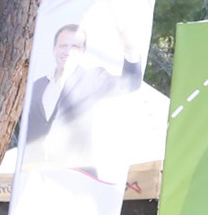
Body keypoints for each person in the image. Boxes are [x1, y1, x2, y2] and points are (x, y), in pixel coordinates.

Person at [21, 22, 144, 177]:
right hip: (34, 174)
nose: (67, 51)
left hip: (77, 178)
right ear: (54, 49)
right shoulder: (36, 85)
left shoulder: (94, 79)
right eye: (63, 46)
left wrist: (130, 51)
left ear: (83, 51)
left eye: (74, 47)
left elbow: (129, 85)